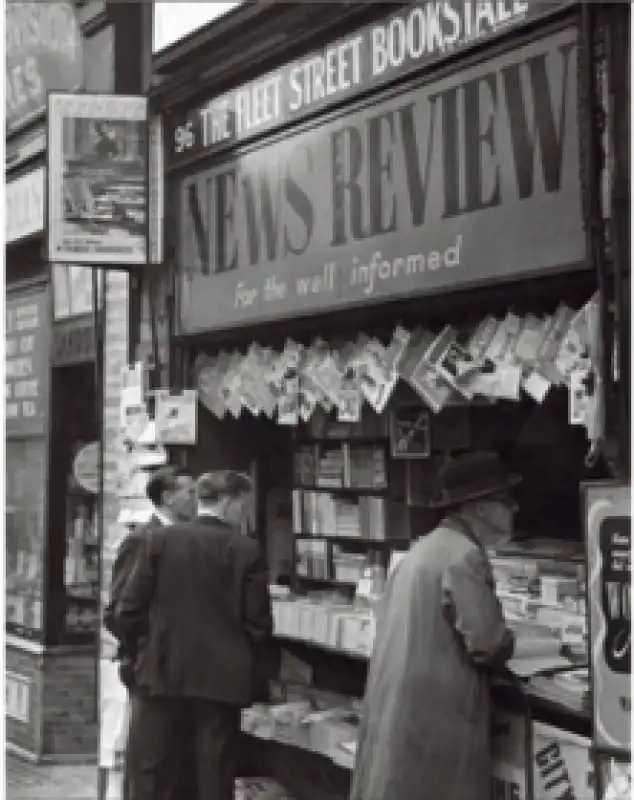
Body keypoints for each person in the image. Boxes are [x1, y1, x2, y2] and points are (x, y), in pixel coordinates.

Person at [350, 451, 518, 800]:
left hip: (405, 707)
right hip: (439, 714)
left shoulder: (420, 550)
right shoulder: (464, 556)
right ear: (481, 508)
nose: (514, 510)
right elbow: (487, 643)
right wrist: (517, 641)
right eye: (506, 501)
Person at [114, 470, 273, 800]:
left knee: (154, 772)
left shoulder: (160, 541)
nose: (244, 513)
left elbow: (128, 610)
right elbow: (258, 624)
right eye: (243, 505)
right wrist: (256, 672)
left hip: (162, 673)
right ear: (229, 503)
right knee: (214, 775)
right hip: (221, 681)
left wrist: (143, 653)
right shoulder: (246, 549)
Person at [103, 465, 196, 800]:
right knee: (150, 762)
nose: (197, 499)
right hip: (150, 668)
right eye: (190, 491)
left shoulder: (188, 537)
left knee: (175, 762)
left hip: (178, 669)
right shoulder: (142, 539)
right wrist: (143, 648)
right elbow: (118, 612)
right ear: (168, 497)